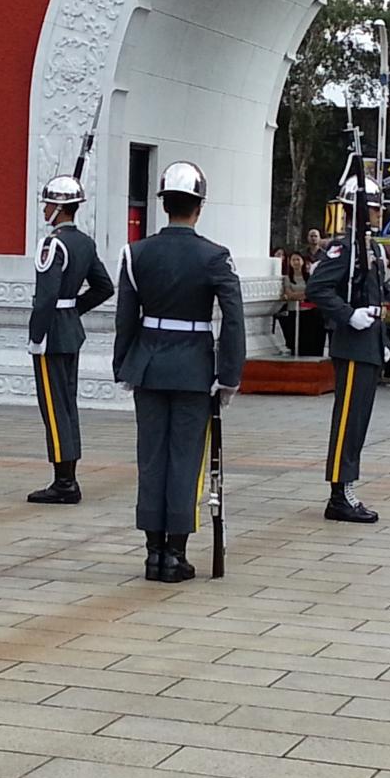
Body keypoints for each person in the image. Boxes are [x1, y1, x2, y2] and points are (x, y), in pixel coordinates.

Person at [114, 162, 245, 581]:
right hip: (193, 369)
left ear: (164, 204)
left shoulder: (137, 253)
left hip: (149, 366)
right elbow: (234, 319)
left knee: (151, 459)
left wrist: (124, 365)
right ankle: (175, 552)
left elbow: (125, 318)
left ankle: (153, 553)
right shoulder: (214, 256)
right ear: (198, 207)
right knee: (185, 460)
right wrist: (229, 374)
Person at [306, 175, 390, 523]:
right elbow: (317, 288)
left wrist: (383, 341)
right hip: (353, 343)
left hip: (368, 343)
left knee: (358, 422)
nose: (380, 213)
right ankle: (339, 494)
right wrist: (347, 315)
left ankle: (346, 487)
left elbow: (376, 298)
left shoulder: (372, 249)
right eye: (374, 208)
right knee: (348, 420)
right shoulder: (344, 249)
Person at [26, 174, 115, 505]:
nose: (44, 209)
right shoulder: (85, 243)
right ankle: (67, 476)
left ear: (59, 208)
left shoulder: (53, 245)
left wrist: (37, 335)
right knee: (66, 404)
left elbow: (46, 296)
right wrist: (75, 309)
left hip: (51, 334)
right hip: (70, 330)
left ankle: (64, 482)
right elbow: (104, 287)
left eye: (48, 204)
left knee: (53, 407)